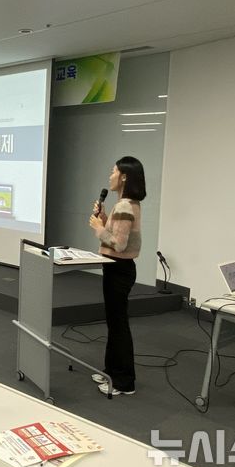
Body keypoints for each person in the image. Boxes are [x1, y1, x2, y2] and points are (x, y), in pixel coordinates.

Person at [88, 156, 146, 396]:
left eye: (113, 172)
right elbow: (118, 236)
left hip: (118, 269)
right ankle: (111, 370)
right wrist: (103, 221)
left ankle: (124, 381)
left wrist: (99, 229)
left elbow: (119, 245)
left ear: (123, 176)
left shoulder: (124, 206)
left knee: (118, 324)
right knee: (115, 322)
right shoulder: (125, 204)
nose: (110, 176)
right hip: (118, 268)